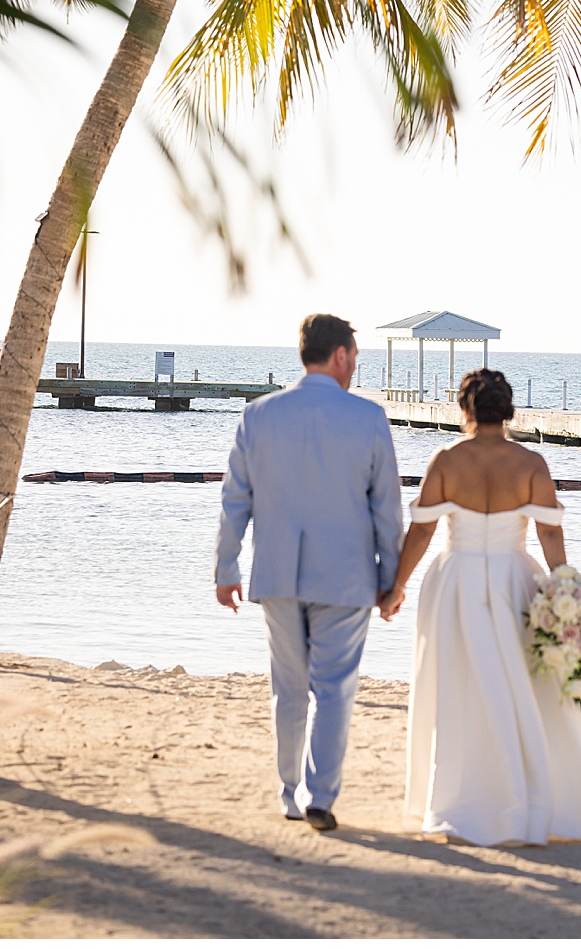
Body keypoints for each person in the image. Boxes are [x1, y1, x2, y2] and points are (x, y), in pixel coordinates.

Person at [381, 368, 581, 846]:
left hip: (454, 580)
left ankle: (459, 799)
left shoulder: (445, 459)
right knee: (521, 686)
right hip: (514, 581)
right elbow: (549, 532)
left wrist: (396, 586)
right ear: (509, 410)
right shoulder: (531, 462)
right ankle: (526, 798)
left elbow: (421, 530)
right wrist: (563, 586)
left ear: (465, 410)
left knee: (456, 686)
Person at [215, 312, 401, 832]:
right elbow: (387, 508)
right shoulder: (368, 419)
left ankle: (287, 792)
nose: (354, 367)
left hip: (276, 571)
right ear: (340, 355)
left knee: (289, 687)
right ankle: (321, 796)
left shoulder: (258, 414)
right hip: (346, 576)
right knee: (335, 687)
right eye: (355, 358)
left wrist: (226, 566)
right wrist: (393, 578)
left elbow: (235, 500)